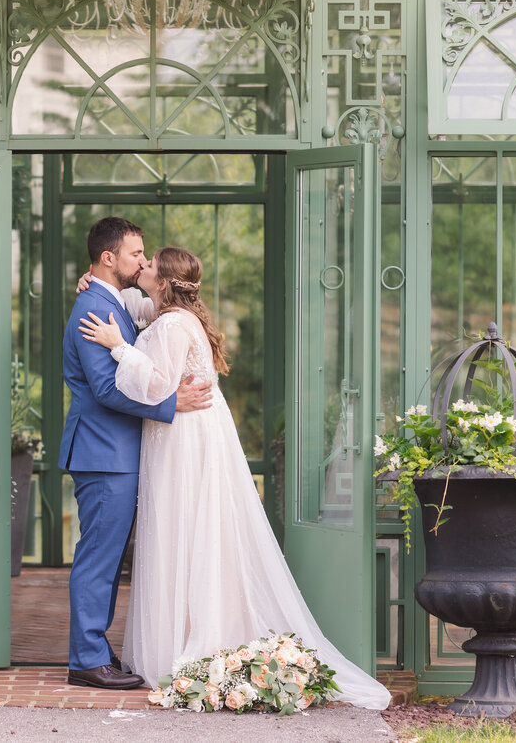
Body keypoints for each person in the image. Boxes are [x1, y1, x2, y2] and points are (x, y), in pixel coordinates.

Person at [78, 245, 391, 710]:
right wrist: (90, 282)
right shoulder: (180, 316)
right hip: (196, 433)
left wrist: (118, 346)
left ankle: (182, 639)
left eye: (148, 266)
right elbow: (129, 302)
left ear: (163, 283)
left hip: (180, 437)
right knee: (195, 530)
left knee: (179, 529)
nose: (141, 268)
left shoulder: (169, 324)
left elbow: (154, 384)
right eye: (137, 259)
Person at [61, 218, 213, 691]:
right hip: (104, 454)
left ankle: (95, 650)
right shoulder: (93, 306)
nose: (142, 263)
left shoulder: (113, 300)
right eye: (135, 254)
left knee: (107, 559)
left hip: (117, 453)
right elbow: (106, 387)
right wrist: (172, 404)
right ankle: (86, 659)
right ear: (108, 258)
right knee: (98, 559)